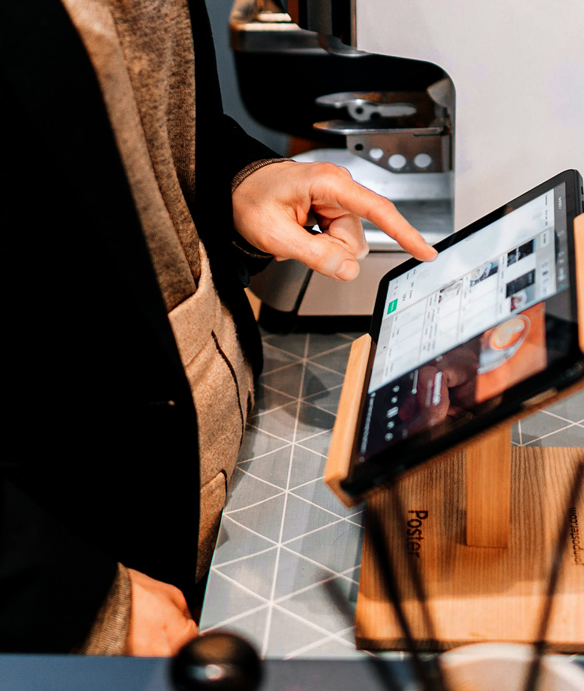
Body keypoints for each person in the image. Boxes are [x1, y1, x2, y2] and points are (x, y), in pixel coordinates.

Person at [0, 0, 436, 655]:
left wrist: (240, 181)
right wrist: (65, 595)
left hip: (219, 470)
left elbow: (132, 120)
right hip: (83, 550)